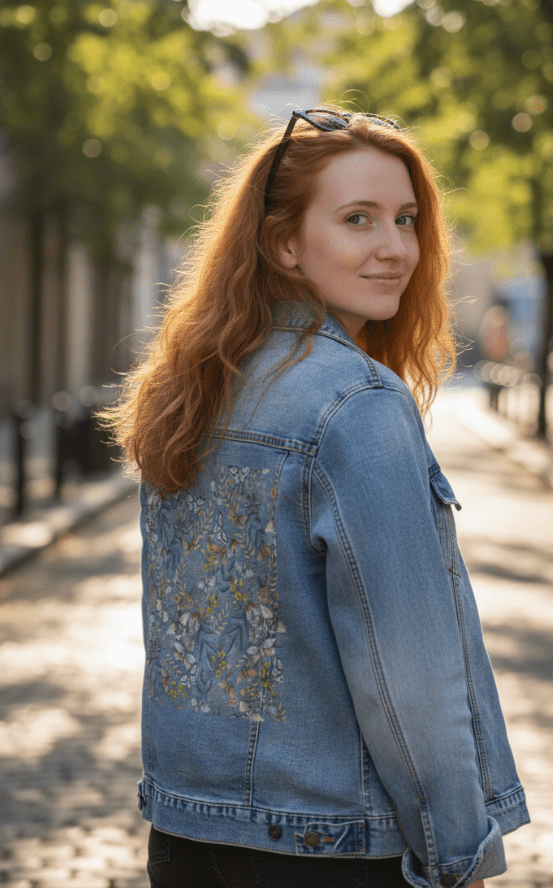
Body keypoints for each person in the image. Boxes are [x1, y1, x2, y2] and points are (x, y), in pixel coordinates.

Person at [108, 108, 529, 888]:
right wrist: (461, 851)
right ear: (285, 242)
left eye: (405, 219)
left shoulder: (196, 389)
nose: (395, 247)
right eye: (357, 219)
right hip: (331, 851)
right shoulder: (356, 403)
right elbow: (409, 672)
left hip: (186, 837)